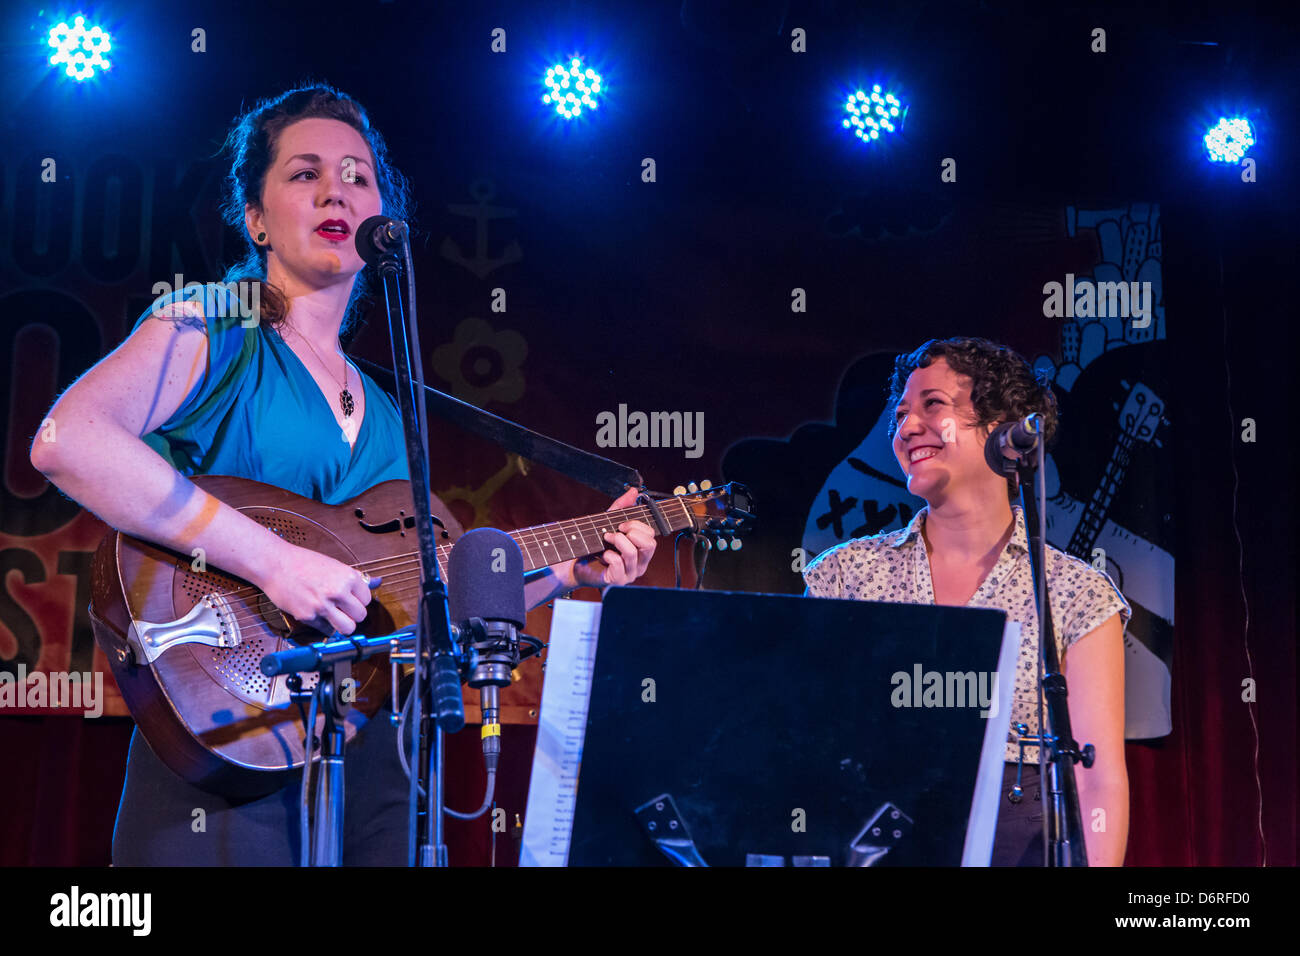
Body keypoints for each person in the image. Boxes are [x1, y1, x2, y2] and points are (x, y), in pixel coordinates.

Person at [29, 85, 657, 866]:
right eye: (304, 173)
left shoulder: (393, 413)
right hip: (229, 736)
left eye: (358, 175)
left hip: (373, 753)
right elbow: (69, 440)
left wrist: (569, 569)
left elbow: (418, 602)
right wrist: (276, 563)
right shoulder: (218, 320)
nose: (336, 190)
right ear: (255, 217)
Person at [802, 337, 1131, 866]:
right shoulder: (845, 576)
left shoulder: (1076, 593)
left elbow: (1097, 779)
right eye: (901, 413)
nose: (906, 428)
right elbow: (805, 743)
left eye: (932, 405)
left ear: (1005, 428)